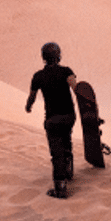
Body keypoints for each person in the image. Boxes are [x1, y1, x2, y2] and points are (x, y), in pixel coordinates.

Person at [26, 42, 78, 199]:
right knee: (66, 139)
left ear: (43, 57)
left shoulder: (38, 76)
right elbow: (77, 89)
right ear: (58, 55)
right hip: (69, 116)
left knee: (57, 152)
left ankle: (60, 187)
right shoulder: (67, 71)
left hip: (52, 120)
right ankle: (68, 171)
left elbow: (32, 97)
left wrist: (28, 107)